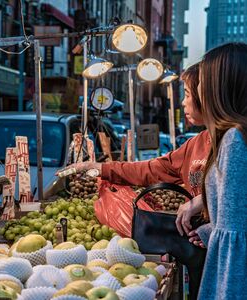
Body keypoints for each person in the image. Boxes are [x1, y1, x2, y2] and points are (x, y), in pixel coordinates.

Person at [60, 63, 209, 300]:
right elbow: (153, 169)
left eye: (189, 95)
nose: (183, 102)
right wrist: (100, 168)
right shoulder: (197, 143)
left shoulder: (234, 140)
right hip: (199, 250)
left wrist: (205, 200)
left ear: (208, 96)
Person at [187, 42, 247, 299]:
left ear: (217, 86)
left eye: (201, 80)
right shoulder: (233, 137)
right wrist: (211, 230)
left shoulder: (234, 140)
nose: (198, 89)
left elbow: (236, 240)